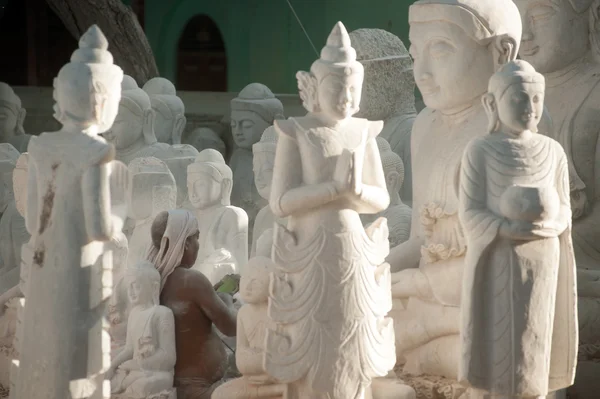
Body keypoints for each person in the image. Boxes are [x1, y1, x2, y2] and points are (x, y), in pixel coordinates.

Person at [146, 209, 237, 399]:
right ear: (185, 243)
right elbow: (231, 327)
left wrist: (212, 293)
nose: (198, 244)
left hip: (173, 387)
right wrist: (227, 298)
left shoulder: (151, 279)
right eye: (196, 237)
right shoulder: (191, 280)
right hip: (201, 391)